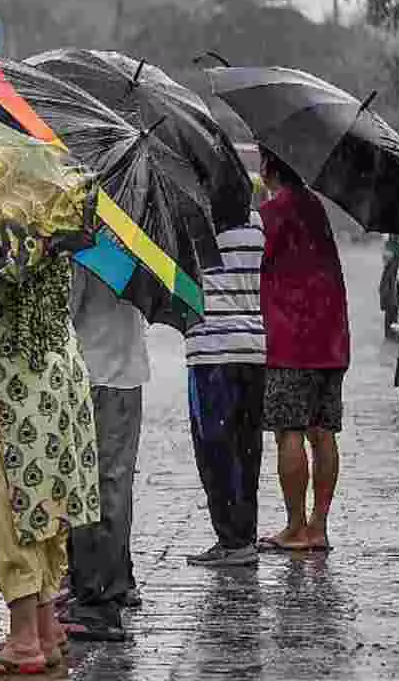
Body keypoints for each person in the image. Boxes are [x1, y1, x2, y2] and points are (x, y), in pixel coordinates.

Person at [0, 253, 98, 675]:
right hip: (59, 373)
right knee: (48, 513)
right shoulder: (47, 217)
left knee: (15, 515)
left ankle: (24, 637)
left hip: (12, 388)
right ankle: (45, 629)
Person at [257, 148, 349, 553]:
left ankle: (295, 526)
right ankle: (319, 526)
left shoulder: (273, 212)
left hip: (290, 340)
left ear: (268, 167)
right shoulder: (316, 207)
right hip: (331, 340)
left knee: (289, 433)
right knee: (323, 432)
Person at [58, 270, 150, 642]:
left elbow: (65, 313)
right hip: (126, 374)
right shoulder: (136, 246)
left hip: (96, 373)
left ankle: (98, 601)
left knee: (96, 486)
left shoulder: (89, 250)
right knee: (115, 481)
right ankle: (117, 579)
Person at [185, 211, 268, 567]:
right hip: (252, 346)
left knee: (215, 450)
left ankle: (232, 541)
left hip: (210, 349)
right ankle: (244, 535)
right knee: (248, 447)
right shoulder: (255, 223)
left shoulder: (193, 222)